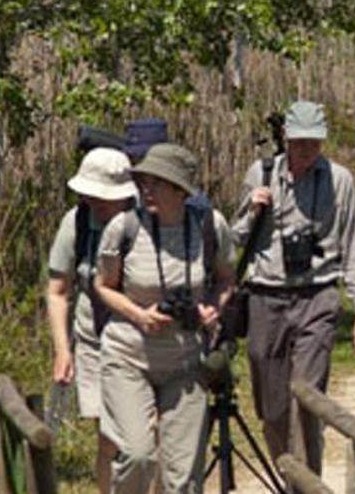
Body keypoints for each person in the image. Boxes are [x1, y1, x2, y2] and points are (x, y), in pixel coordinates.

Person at [235, 100, 355, 475]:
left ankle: (309, 482)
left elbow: (353, 245)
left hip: (318, 295)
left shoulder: (339, 180)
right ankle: (288, 477)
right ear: (285, 138)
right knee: (274, 407)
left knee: (307, 399)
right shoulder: (261, 174)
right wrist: (253, 210)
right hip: (266, 295)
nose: (307, 150)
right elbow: (236, 238)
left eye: (314, 142)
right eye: (299, 142)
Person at [94, 143, 235, 493]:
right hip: (128, 356)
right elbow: (103, 286)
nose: (147, 190)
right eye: (144, 181)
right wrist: (139, 315)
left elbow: (225, 278)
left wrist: (212, 308)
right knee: (138, 455)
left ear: (180, 190)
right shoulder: (123, 228)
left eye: (157, 182)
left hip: (186, 362)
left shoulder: (209, 226)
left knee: (183, 476)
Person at [46, 148, 135, 494]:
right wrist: (62, 349)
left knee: (145, 440)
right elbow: (58, 290)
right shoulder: (77, 222)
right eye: (89, 194)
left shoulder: (145, 220)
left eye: (102, 196)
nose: (94, 201)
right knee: (109, 436)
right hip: (93, 339)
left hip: (141, 343)